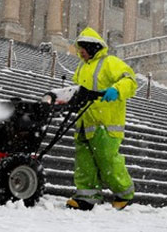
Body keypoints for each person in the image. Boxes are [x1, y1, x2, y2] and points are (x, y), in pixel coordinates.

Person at [66, 27, 137, 211]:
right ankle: (87, 197)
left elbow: (130, 80)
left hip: (105, 122)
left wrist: (117, 89)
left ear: (92, 47)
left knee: (107, 160)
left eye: (83, 48)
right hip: (84, 121)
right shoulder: (82, 66)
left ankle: (124, 192)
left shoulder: (110, 62)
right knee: (84, 161)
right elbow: (77, 89)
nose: (80, 52)